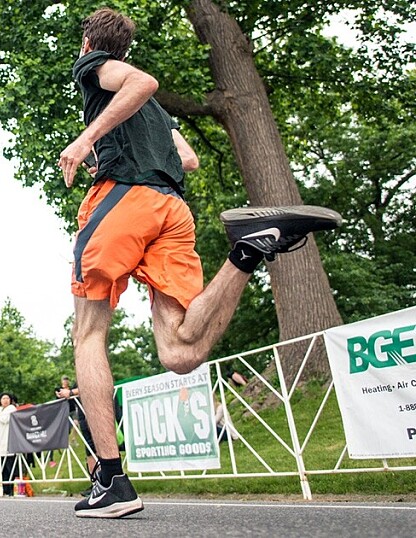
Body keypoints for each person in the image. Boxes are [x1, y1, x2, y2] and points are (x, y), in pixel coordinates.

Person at [57, 8, 341, 518]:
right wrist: (115, 143)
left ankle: (111, 479)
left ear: (89, 45)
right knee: (181, 351)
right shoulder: (156, 116)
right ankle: (247, 252)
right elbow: (188, 159)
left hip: (124, 200)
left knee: (89, 333)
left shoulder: (93, 66)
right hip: (171, 209)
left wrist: (85, 140)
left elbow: (143, 81)